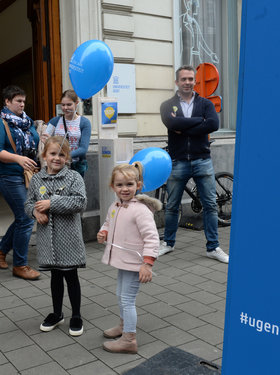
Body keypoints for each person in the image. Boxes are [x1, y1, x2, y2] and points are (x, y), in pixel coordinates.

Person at [159, 65, 228, 263]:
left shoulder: (206, 104)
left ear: (195, 81)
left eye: (191, 79)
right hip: (178, 161)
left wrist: (183, 124)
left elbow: (213, 124)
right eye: (184, 79)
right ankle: (168, 243)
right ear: (177, 82)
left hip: (202, 160)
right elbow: (172, 125)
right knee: (172, 206)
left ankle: (213, 247)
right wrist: (198, 123)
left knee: (210, 205)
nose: (188, 82)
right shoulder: (166, 105)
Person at [25, 136, 87, 336]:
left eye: (61, 154)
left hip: (68, 238)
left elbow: (80, 202)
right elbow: (28, 204)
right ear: (44, 156)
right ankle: (57, 312)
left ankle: (76, 314)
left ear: (67, 157)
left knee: (71, 276)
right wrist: (35, 212)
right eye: (52, 153)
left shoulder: (74, 178)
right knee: (55, 276)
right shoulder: (36, 179)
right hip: (47, 241)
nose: (57, 158)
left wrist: (52, 203)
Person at [97, 163, 161, 353]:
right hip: (123, 261)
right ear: (113, 187)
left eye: (129, 184)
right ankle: (124, 327)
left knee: (127, 299)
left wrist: (147, 264)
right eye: (119, 185)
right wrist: (104, 232)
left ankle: (129, 339)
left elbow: (152, 238)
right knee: (121, 295)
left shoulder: (140, 210)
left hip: (135, 262)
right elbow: (109, 222)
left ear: (138, 185)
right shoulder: (115, 206)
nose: (124, 189)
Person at [0, 85, 40, 280]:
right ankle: (20, 265)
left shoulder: (27, 122)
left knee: (22, 217)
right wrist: (18, 159)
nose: (22, 104)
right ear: (7, 102)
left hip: (28, 175)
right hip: (8, 176)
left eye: (24, 101)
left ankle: (1, 249)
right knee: (27, 217)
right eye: (18, 100)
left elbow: (34, 143)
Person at [42, 90, 91, 177]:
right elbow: (44, 138)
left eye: (69, 104)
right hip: (57, 165)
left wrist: (64, 156)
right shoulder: (55, 121)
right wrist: (47, 140)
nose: (65, 108)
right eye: (63, 105)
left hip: (75, 166)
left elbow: (83, 148)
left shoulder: (84, 122)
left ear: (76, 103)